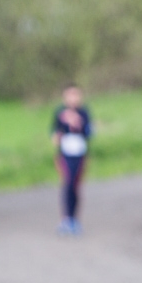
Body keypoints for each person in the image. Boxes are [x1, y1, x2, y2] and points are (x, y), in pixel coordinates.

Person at [51, 85, 93, 235]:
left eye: (76, 95)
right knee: (67, 183)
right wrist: (57, 136)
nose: (73, 98)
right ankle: (66, 219)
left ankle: (74, 219)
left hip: (80, 153)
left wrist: (79, 124)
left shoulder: (84, 112)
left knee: (75, 185)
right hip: (65, 153)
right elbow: (54, 132)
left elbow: (89, 132)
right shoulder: (60, 112)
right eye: (70, 95)